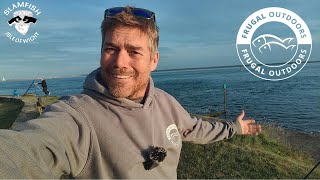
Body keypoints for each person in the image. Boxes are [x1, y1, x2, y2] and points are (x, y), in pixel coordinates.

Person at [0, 6, 261, 178]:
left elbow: (194, 128)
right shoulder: (78, 115)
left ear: (154, 60)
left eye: (134, 52)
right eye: (111, 49)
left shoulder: (165, 103)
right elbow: (27, 148)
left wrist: (234, 128)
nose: (119, 62)